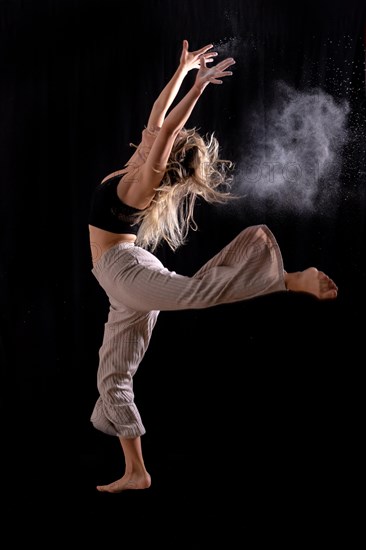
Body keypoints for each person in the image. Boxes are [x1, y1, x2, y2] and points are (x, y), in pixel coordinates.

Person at [88, 39, 338, 493]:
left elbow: (164, 133)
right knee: (113, 374)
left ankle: (285, 279)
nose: (160, 135)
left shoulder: (142, 183)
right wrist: (183, 71)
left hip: (124, 271)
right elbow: (157, 121)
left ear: (166, 159)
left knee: (195, 294)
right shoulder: (139, 161)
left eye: (167, 142)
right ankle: (137, 472)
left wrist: (199, 87)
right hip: (123, 276)